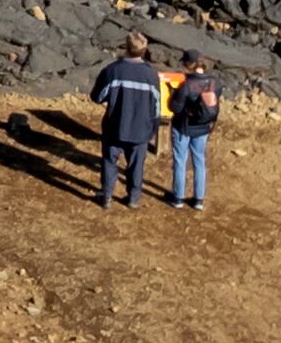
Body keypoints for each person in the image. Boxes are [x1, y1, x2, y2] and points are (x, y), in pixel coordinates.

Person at [90, 33, 166, 209]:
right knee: (136, 165)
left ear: (126, 47)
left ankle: (107, 196)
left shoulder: (113, 70)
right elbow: (156, 106)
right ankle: (133, 198)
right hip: (140, 129)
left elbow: (98, 96)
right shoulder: (151, 74)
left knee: (109, 161)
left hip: (114, 126)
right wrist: (153, 128)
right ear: (144, 50)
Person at [167, 60, 220, 210]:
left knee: (180, 160)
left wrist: (173, 94)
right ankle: (198, 199)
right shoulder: (215, 83)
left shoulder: (187, 85)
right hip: (203, 128)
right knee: (199, 161)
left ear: (189, 65)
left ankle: (178, 198)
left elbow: (175, 107)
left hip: (183, 127)